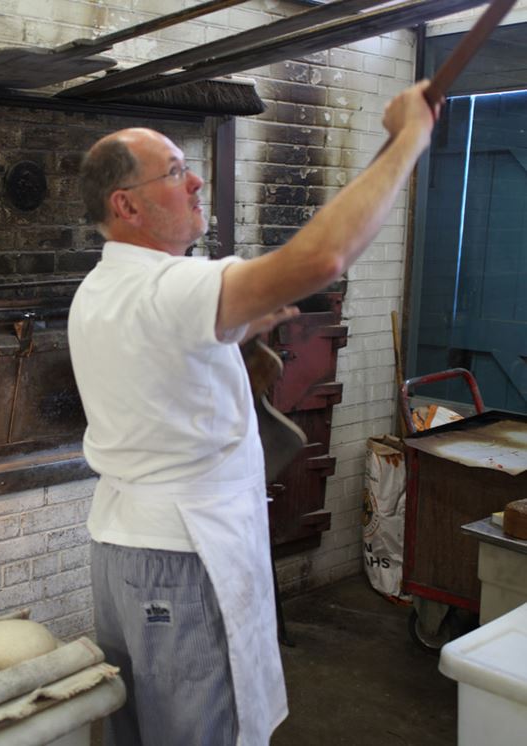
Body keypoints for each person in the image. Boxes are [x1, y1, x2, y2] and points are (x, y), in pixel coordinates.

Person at [68, 80, 440, 746]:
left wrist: (235, 331)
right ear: (125, 203)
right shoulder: (174, 285)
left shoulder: (101, 286)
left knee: (141, 733)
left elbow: (160, 359)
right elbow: (321, 258)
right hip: (184, 556)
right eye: (176, 172)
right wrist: (409, 135)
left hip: (126, 549)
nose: (196, 184)